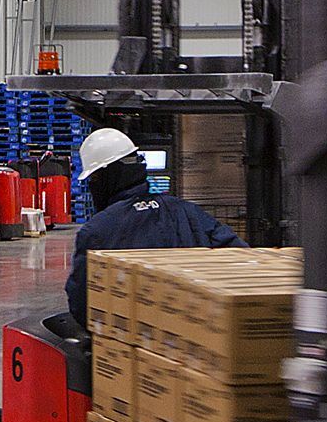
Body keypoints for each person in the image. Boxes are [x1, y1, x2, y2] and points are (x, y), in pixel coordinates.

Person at [65, 127, 246, 325]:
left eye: (94, 179)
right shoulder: (186, 212)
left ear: (105, 177)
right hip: (197, 329)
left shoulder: (97, 231)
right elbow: (238, 258)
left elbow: (81, 304)